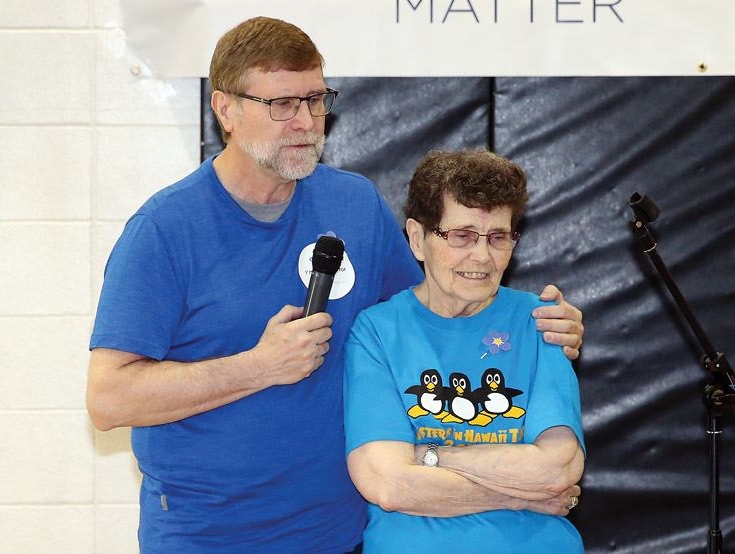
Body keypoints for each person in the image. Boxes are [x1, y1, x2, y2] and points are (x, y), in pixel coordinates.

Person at [87, 16, 584, 553]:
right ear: (225, 109)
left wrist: (543, 322)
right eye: (281, 104)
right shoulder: (166, 229)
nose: (305, 122)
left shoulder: (353, 204)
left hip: (338, 532)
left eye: (316, 99)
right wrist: (257, 367)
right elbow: (109, 399)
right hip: (210, 534)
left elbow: (436, 310)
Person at [344, 148, 585, 552]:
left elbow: (557, 469)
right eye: (462, 236)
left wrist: (429, 455)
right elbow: (387, 483)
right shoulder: (377, 332)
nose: (482, 256)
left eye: (498, 237)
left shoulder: (542, 321)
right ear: (417, 238)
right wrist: (517, 494)